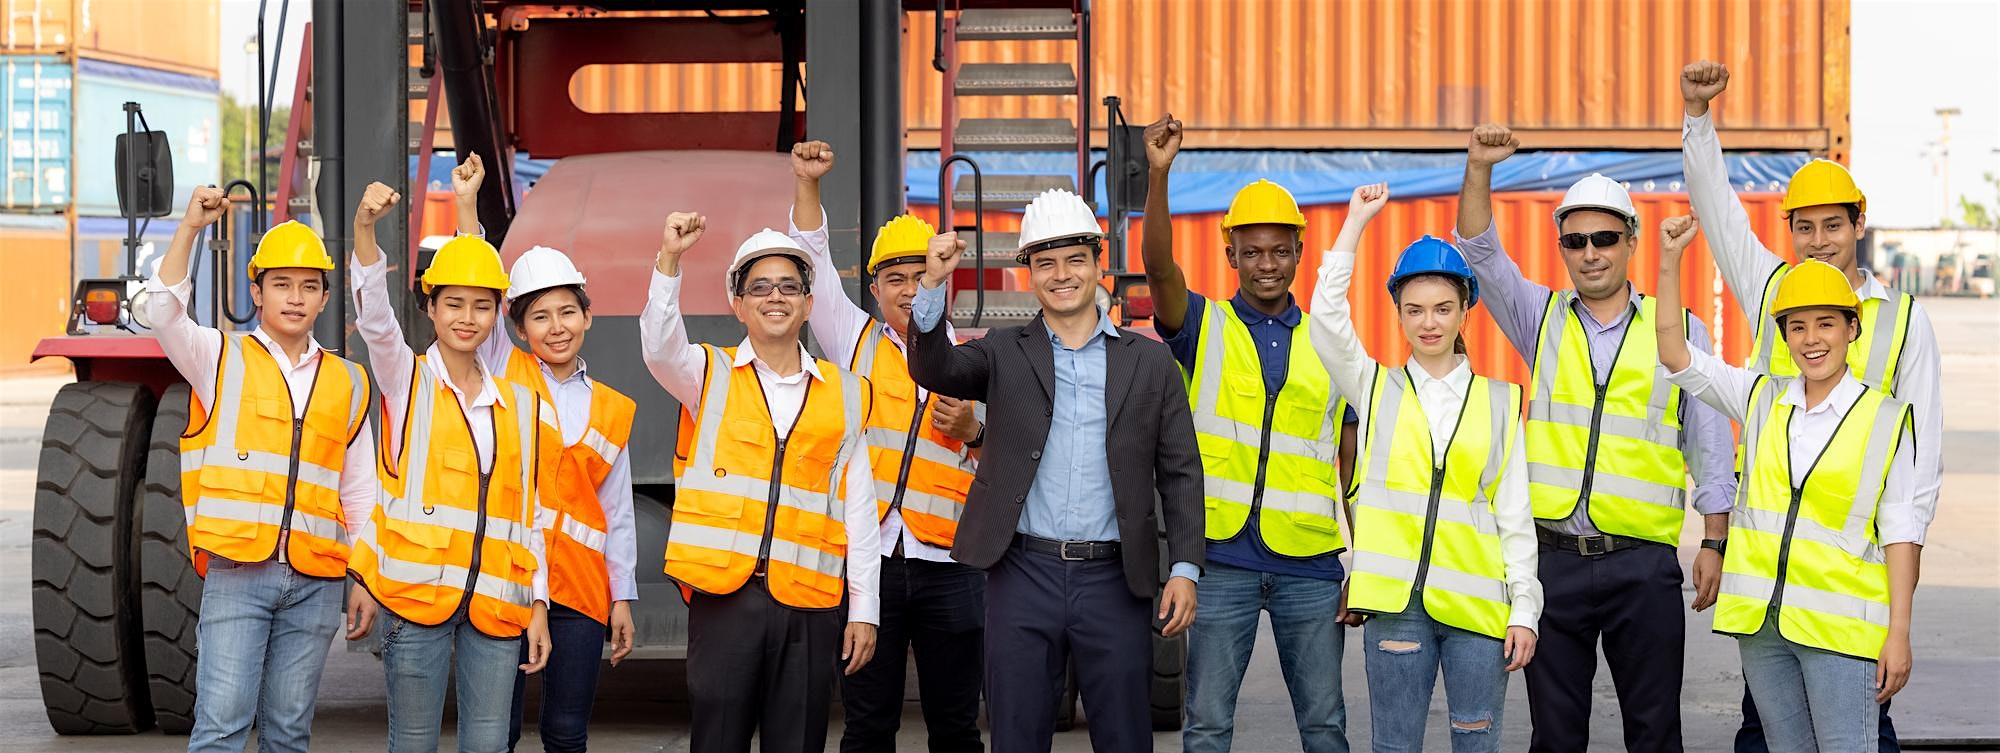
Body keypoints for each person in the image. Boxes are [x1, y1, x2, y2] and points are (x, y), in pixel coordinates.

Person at [1680, 59, 1941, 753]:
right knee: (1763, 736)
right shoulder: (1771, 291)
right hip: (1769, 587)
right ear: (1788, 230)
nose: (1819, 240)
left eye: (1833, 224)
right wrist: (1699, 119)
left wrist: (1896, 611)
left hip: (1848, 593)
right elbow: (1716, 210)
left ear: (1860, 223)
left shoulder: (1904, 321)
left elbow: (1918, 483)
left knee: (1859, 735)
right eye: (1804, 227)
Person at [1455, 125, 1737, 752]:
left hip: (1644, 565)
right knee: (1555, 740)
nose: (1590, 253)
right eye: (1575, 240)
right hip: (1554, 561)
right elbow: (1479, 252)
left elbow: (1711, 445)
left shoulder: (1679, 331)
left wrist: (1714, 540)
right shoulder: (1540, 319)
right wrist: (1478, 167)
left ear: (1631, 241)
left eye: (1605, 237)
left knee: (1655, 733)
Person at [907, 187, 1205, 753]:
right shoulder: (1003, 351)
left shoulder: (1149, 362)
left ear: (1098, 265)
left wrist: (1185, 568)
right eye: (1045, 263)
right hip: (1022, 573)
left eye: (1075, 260)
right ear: (1028, 275)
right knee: (1016, 737)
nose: (1061, 275)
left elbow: (1181, 472)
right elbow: (934, 366)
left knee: (1124, 737)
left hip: (1115, 580)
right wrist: (931, 285)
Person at [1655, 218, 1921, 752]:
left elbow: (1902, 532)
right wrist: (1669, 260)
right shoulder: (1759, 399)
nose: (1812, 339)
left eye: (1827, 324)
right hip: (1763, 627)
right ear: (1785, 337)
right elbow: (1674, 353)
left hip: (1842, 630)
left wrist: (1899, 631)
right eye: (1797, 327)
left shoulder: (1887, 419)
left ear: (1853, 328)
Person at [1139, 114, 1358, 753]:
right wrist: (1159, 174)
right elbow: (1157, 269)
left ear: (1299, 253)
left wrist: (1360, 561)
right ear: (1229, 253)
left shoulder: (1330, 342)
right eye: (1253, 250)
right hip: (1221, 558)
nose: (1268, 264)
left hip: (1311, 565)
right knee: (1207, 727)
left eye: (1281, 250)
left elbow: (1349, 462)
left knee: (1325, 727)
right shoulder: (1200, 324)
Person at [1308, 183, 1542, 753]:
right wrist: (1355, 222)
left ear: (1467, 310)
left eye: (1442, 308)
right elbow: (1325, 320)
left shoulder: (1500, 400)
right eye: (1413, 310)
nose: (1428, 322)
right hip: (1396, 608)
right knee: (1394, 746)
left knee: (1477, 745)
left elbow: (1514, 516)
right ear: (1398, 314)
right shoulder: (1373, 387)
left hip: (1478, 608)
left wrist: (1526, 609)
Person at [144, 187, 377, 753]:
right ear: (256, 291)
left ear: (325, 297)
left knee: (288, 734)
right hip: (238, 571)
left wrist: (364, 577)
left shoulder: (348, 381)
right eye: (281, 284)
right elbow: (162, 311)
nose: (295, 298)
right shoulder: (217, 358)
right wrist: (190, 229)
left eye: (309, 286)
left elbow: (360, 491)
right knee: (220, 729)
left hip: (317, 580)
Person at [638, 211, 881, 753]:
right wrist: (670, 261)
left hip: (809, 605)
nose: (776, 297)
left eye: (790, 287)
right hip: (727, 599)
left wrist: (865, 611)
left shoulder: (845, 394)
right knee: (718, 741)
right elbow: (658, 347)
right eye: (761, 287)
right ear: (738, 304)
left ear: (809, 304)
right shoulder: (709, 375)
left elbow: (860, 511)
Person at [783, 141, 987, 753]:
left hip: (951, 564)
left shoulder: (976, 355)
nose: (907, 291)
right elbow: (811, 262)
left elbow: (1012, 457)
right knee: (869, 726)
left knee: (956, 728)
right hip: (870, 562)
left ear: (942, 280)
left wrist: (974, 433)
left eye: (920, 277)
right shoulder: (852, 338)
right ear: (873, 290)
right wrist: (808, 185)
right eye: (894, 279)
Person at [348, 181, 559, 753]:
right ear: (432, 308)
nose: (468, 317)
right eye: (454, 303)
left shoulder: (519, 405)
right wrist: (365, 230)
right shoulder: (406, 379)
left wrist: (537, 603)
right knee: (413, 745)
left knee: (489, 746)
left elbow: (529, 516)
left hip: (494, 604)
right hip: (416, 601)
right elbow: (374, 321)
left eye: (482, 305)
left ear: (497, 314)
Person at [441, 156, 640, 753]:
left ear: (587, 316)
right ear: (518, 328)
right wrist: (468, 207)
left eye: (567, 312)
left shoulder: (610, 408)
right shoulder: (504, 369)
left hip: (580, 592)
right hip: (508, 577)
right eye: (539, 316)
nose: (556, 327)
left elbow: (618, 512)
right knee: (494, 729)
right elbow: (474, 280)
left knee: (565, 732)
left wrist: (622, 597)